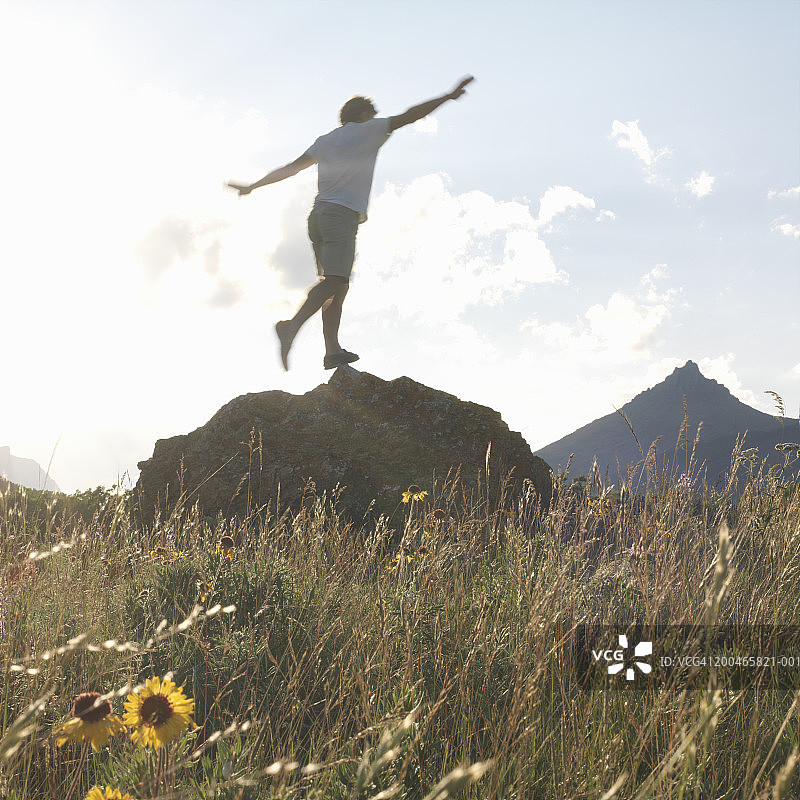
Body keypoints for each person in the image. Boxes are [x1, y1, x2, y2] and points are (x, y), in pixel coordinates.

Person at [228, 76, 474, 371]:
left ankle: (332, 351)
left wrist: (252, 186)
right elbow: (411, 115)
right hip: (341, 215)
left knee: (336, 285)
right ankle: (291, 327)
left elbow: (291, 169)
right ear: (363, 114)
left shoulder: (325, 141)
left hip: (318, 217)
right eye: (373, 112)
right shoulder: (369, 129)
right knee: (335, 281)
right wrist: (447, 96)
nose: (376, 117)